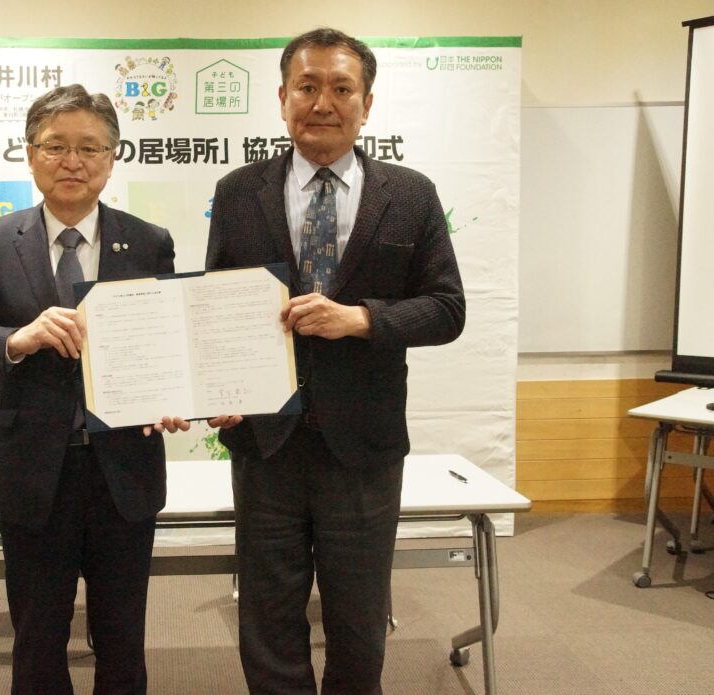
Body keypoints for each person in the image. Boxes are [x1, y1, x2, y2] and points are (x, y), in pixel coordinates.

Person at [205, 28, 466, 694]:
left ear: (367, 104)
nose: (323, 103)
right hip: (265, 440)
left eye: (342, 88)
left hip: (364, 447)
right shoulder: (238, 191)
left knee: (358, 620)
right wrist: (215, 385)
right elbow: (215, 307)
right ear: (282, 98)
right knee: (267, 618)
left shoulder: (409, 194)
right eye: (307, 86)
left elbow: (447, 309)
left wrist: (362, 319)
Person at [0, 84, 187, 695]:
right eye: (55, 146)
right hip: (32, 473)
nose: (73, 161)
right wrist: (17, 340)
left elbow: (170, 343)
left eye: (89, 148)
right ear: (30, 154)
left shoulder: (149, 241)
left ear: (112, 158)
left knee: (122, 635)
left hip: (124, 471)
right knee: (38, 636)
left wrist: (176, 395)